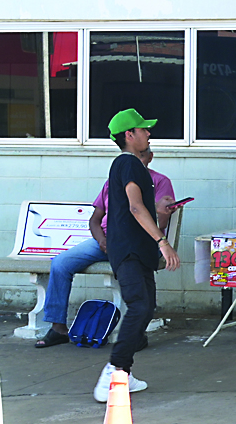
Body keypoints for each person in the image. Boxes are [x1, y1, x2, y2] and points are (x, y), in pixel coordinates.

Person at [39, 147, 177, 349]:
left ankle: (132, 336)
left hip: (137, 243)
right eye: (134, 157)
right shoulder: (113, 182)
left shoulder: (159, 182)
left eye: (141, 157)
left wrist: (163, 212)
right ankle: (58, 327)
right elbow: (95, 219)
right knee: (61, 263)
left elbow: (160, 223)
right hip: (106, 241)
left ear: (151, 157)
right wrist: (102, 240)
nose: (136, 163)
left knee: (139, 294)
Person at [93, 109, 181, 403]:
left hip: (138, 249)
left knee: (147, 306)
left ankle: (124, 373)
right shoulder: (128, 163)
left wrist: (161, 211)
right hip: (129, 249)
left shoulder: (132, 167)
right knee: (139, 305)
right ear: (129, 135)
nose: (148, 134)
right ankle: (114, 370)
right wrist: (163, 242)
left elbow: (139, 208)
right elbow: (133, 207)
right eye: (143, 130)